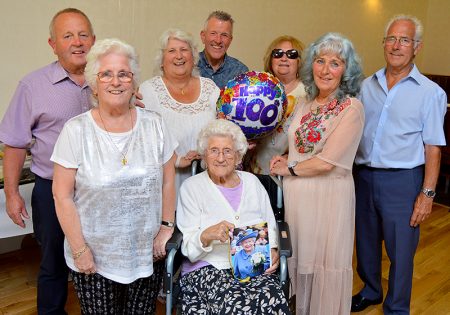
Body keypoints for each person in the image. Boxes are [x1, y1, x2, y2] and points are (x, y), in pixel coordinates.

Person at [51, 38, 177, 314]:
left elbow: (169, 179)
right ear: (94, 84)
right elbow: (61, 195)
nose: (115, 81)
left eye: (123, 74)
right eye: (106, 74)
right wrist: (79, 250)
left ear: (133, 82)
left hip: (147, 251)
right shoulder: (76, 131)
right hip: (95, 257)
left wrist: (167, 226)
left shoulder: (154, 125)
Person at [0, 8, 95, 313]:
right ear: (53, 44)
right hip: (52, 190)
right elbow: (14, 143)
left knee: (99, 260)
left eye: (83, 35)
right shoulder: (33, 86)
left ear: (93, 40)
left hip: (100, 191)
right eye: (67, 36)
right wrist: (13, 194)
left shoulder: (110, 79)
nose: (77, 42)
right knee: (53, 263)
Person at [352, 15, 447, 314]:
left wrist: (427, 194)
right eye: (391, 39)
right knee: (365, 243)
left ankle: (396, 307)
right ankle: (370, 290)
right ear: (384, 44)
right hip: (363, 176)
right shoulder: (366, 85)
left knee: (401, 251)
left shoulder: (431, 92)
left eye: (404, 40)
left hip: (403, 181)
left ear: (416, 47)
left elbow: (434, 147)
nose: (396, 45)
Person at [270, 33, 365, 314]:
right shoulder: (305, 103)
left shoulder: (351, 108)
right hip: (298, 201)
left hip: (328, 200)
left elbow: (327, 162)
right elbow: (303, 149)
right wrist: (286, 157)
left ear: (346, 70)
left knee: (324, 267)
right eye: (320, 61)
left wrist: (289, 168)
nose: (325, 69)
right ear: (311, 65)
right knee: (300, 263)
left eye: (335, 63)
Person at [177, 119, 290, 314]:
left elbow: (270, 226)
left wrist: (273, 248)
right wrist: (207, 235)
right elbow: (188, 249)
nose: (221, 158)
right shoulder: (191, 188)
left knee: (273, 298)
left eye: (227, 151)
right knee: (237, 306)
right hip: (207, 268)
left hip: (251, 267)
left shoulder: (253, 182)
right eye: (214, 150)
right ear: (205, 154)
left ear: (238, 155)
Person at [140, 28, 219, 192]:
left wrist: (204, 153)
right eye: (172, 51)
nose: (179, 56)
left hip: (208, 180)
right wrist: (176, 159)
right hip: (167, 183)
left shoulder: (210, 88)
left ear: (193, 57)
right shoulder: (148, 91)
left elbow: (223, 129)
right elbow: (143, 139)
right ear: (162, 60)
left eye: (184, 50)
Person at [246, 35, 306, 214]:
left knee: (287, 229)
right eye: (278, 53)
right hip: (256, 170)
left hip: (291, 174)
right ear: (270, 60)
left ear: (299, 61)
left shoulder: (309, 93)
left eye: (291, 54)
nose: (284, 58)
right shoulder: (258, 88)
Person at [198, 10, 249, 89]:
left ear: (230, 40)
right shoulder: (189, 66)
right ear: (203, 36)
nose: (218, 40)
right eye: (213, 33)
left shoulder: (240, 72)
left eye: (224, 35)